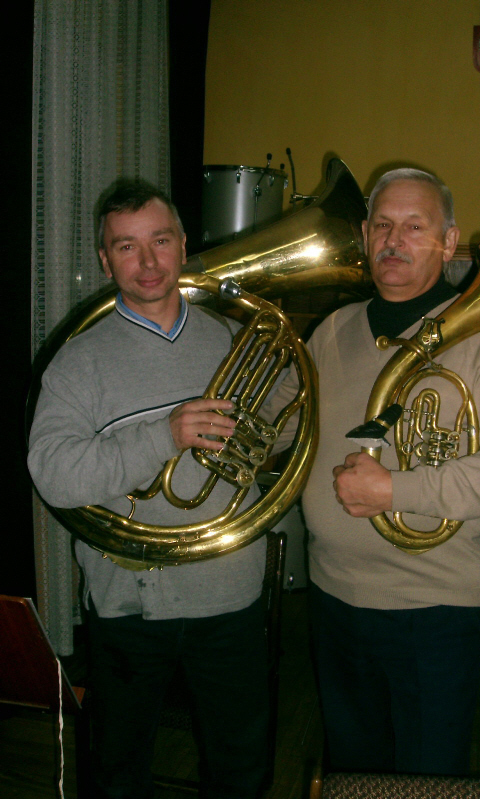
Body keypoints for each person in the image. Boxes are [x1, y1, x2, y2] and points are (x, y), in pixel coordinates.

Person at [264, 168, 480, 775]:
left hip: (435, 610)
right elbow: (286, 423)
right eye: (384, 226)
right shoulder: (332, 330)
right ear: (365, 235)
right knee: (354, 773)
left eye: (415, 227)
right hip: (334, 598)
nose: (395, 241)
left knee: (426, 781)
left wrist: (397, 490)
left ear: (448, 243)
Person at [28, 180, 269, 799]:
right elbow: (52, 471)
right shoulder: (78, 361)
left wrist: (281, 417)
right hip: (128, 603)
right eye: (127, 247)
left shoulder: (236, 341)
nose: (148, 262)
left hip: (229, 591)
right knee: (117, 772)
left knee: (240, 765)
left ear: (184, 245)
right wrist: (163, 434)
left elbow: (283, 428)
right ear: (106, 261)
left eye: (160, 240)